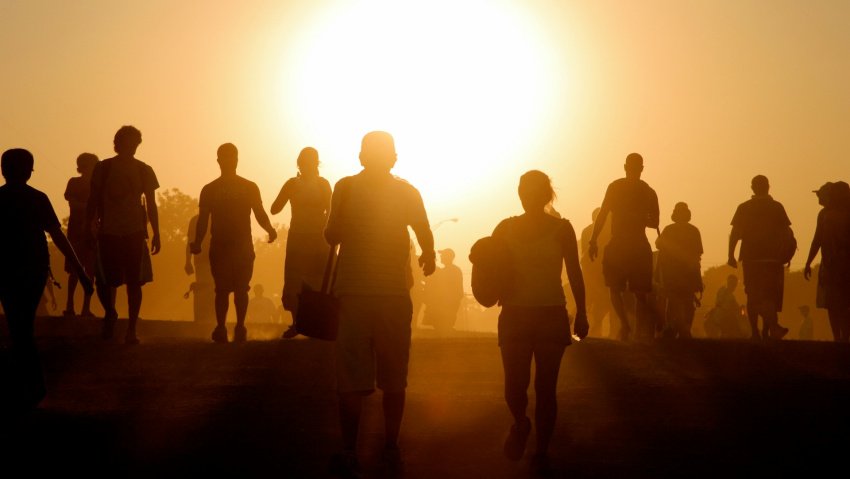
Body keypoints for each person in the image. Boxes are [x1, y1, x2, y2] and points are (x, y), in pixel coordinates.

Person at [324, 131, 435, 477]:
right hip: (393, 294)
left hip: (354, 292)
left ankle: (349, 450)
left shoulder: (344, 188)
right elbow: (424, 232)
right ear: (394, 158)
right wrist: (428, 257)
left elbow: (330, 235)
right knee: (393, 376)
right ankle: (390, 446)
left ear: (360, 156)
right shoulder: (406, 191)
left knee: (351, 377)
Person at [492, 170, 587, 474]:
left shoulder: (562, 229)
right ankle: (521, 423)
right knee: (514, 386)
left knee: (546, 388)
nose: (528, 196)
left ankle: (542, 451)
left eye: (534, 191)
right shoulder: (504, 228)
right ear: (519, 194)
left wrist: (582, 311)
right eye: (524, 190)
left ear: (546, 195)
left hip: (550, 314)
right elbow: (488, 268)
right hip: (514, 314)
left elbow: (574, 272)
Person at [0, 148, 93, 410]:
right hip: (32, 269)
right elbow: (58, 236)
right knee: (22, 326)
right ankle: (32, 385)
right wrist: (81, 270)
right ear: (30, 171)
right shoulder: (37, 199)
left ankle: (27, 385)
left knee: (17, 325)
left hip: (6, 269)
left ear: (3, 170)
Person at [190, 143, 278, 343]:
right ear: (219, 161)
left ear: (236, 160)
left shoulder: (246, 187)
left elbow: (259, 213)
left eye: (232, 157)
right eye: (226, 157)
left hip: (241, 246)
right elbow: (203, 220)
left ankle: (238, 327)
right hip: (222, 246)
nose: (229, 160)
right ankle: (223, 327)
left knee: (240, 289)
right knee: (222, 289)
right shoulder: (211, 189)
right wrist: (197, 242)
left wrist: (270, 229)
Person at [86, 125, 160, 345]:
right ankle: (110, 312)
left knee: (134, 282)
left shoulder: (144, 169)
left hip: (134, 231)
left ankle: (131, 329)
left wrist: (156, 232)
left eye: (136, 143)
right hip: (108, 230)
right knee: (105, 280)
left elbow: (152, 204)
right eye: (129, 142)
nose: (133, 147)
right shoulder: (103, 168)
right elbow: (93, 199)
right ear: (118, 143)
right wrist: (88, 226)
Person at [588, 153, 659, 341]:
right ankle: (630, 328)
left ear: (626, 167)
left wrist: (593, 240)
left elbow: (603, 214)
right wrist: (593, 240)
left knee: (620, 289)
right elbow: (655, 222)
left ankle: (629, 327)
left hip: (623, 243)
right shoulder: (647, 191)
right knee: (633, 291)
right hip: (632, 244)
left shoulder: (621, 188)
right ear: (639, 168)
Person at [270, 147, 332, 339]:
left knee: (320, 282)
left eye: (310, 163)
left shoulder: (322, 184)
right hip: (299, 238)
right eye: (306, 163)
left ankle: (319, 324)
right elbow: (274, 209)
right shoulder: (293, 184)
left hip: (318, 239)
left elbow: (331, 210)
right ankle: (297, 324)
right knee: (295, 282)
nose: (308, 166)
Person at [727, 175, 791, 340]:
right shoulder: (777, 207)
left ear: (752, 188)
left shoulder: (744, 207)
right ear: (768, 187)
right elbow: (786, 233)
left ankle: (756, 331)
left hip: (751, 258)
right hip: (772, 259)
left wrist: (731, 255)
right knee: (769, 296)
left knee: (753, 296)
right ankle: (768, 330)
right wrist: (787, 253)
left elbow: (735, 234)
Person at [803, 181, 850, 342]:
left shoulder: (826, 215)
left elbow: (817, 240)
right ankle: (841, 337)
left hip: (836, 265)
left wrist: (809, 262)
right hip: (834, 265)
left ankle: (841, 337)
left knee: (837, 303)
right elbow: (818, 240)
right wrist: (808, 261)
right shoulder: (825, 215)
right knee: (838, 303)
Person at [655, 202, 703, 339]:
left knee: (678, 301)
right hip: (683, 273)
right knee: (685, 301)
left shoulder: (669, 230)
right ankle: (681, 328)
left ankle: (677, 327)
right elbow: (698, 254)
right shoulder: (693, 230)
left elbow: (658, 244)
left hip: (675, 273)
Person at [63, 153, 98, 318]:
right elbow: (74, 205)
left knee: (90, 270)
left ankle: (85, 307)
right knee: (75, 270)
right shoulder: (74, 182)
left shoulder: (97, 185)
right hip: (77, 230)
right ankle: (70, 305)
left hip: (91, 232)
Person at [580, 208, 612, 337]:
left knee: (592, 299)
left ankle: (594, 328)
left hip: (591, 269)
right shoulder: (607, 231)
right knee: (603, 299)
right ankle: (595, 328)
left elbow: (584, 252)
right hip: (600, 270)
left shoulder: (587, 231)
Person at [421, 248, 464, 336]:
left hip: (449, 301)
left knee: (445, 321)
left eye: (443, 255)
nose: (441, 257)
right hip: (449, 300)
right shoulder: (451, 270)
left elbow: (446, 287)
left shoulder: (450, 271)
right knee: (443, 323)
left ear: (448, 257)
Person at [185, 214, 215, 323]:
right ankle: (205, 318)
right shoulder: (195, 220)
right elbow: (190, 242)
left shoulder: (195, 219)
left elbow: (190, 242)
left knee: (208, 289)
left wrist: (188, 261)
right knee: (207, 289)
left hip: (209, 260)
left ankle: (207, 318)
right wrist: (188, 261)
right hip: (203, 260)